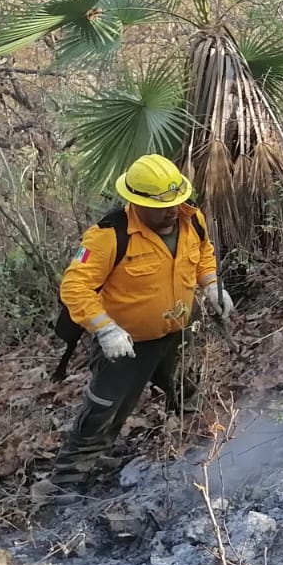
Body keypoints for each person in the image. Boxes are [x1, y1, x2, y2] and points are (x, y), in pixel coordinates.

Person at [54, 154, 234, 488]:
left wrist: (210, 284)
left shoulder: (191, 219)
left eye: (177, 201)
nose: (172, 211)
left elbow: (204, 253)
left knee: (189, 390)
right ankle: (68, 478)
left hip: (179, 331)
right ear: (136, 202)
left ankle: (198, 454)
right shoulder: (108, 236)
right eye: (164, 206)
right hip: (127, 342)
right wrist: (105, 329)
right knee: (106, 407)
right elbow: (75, 286)